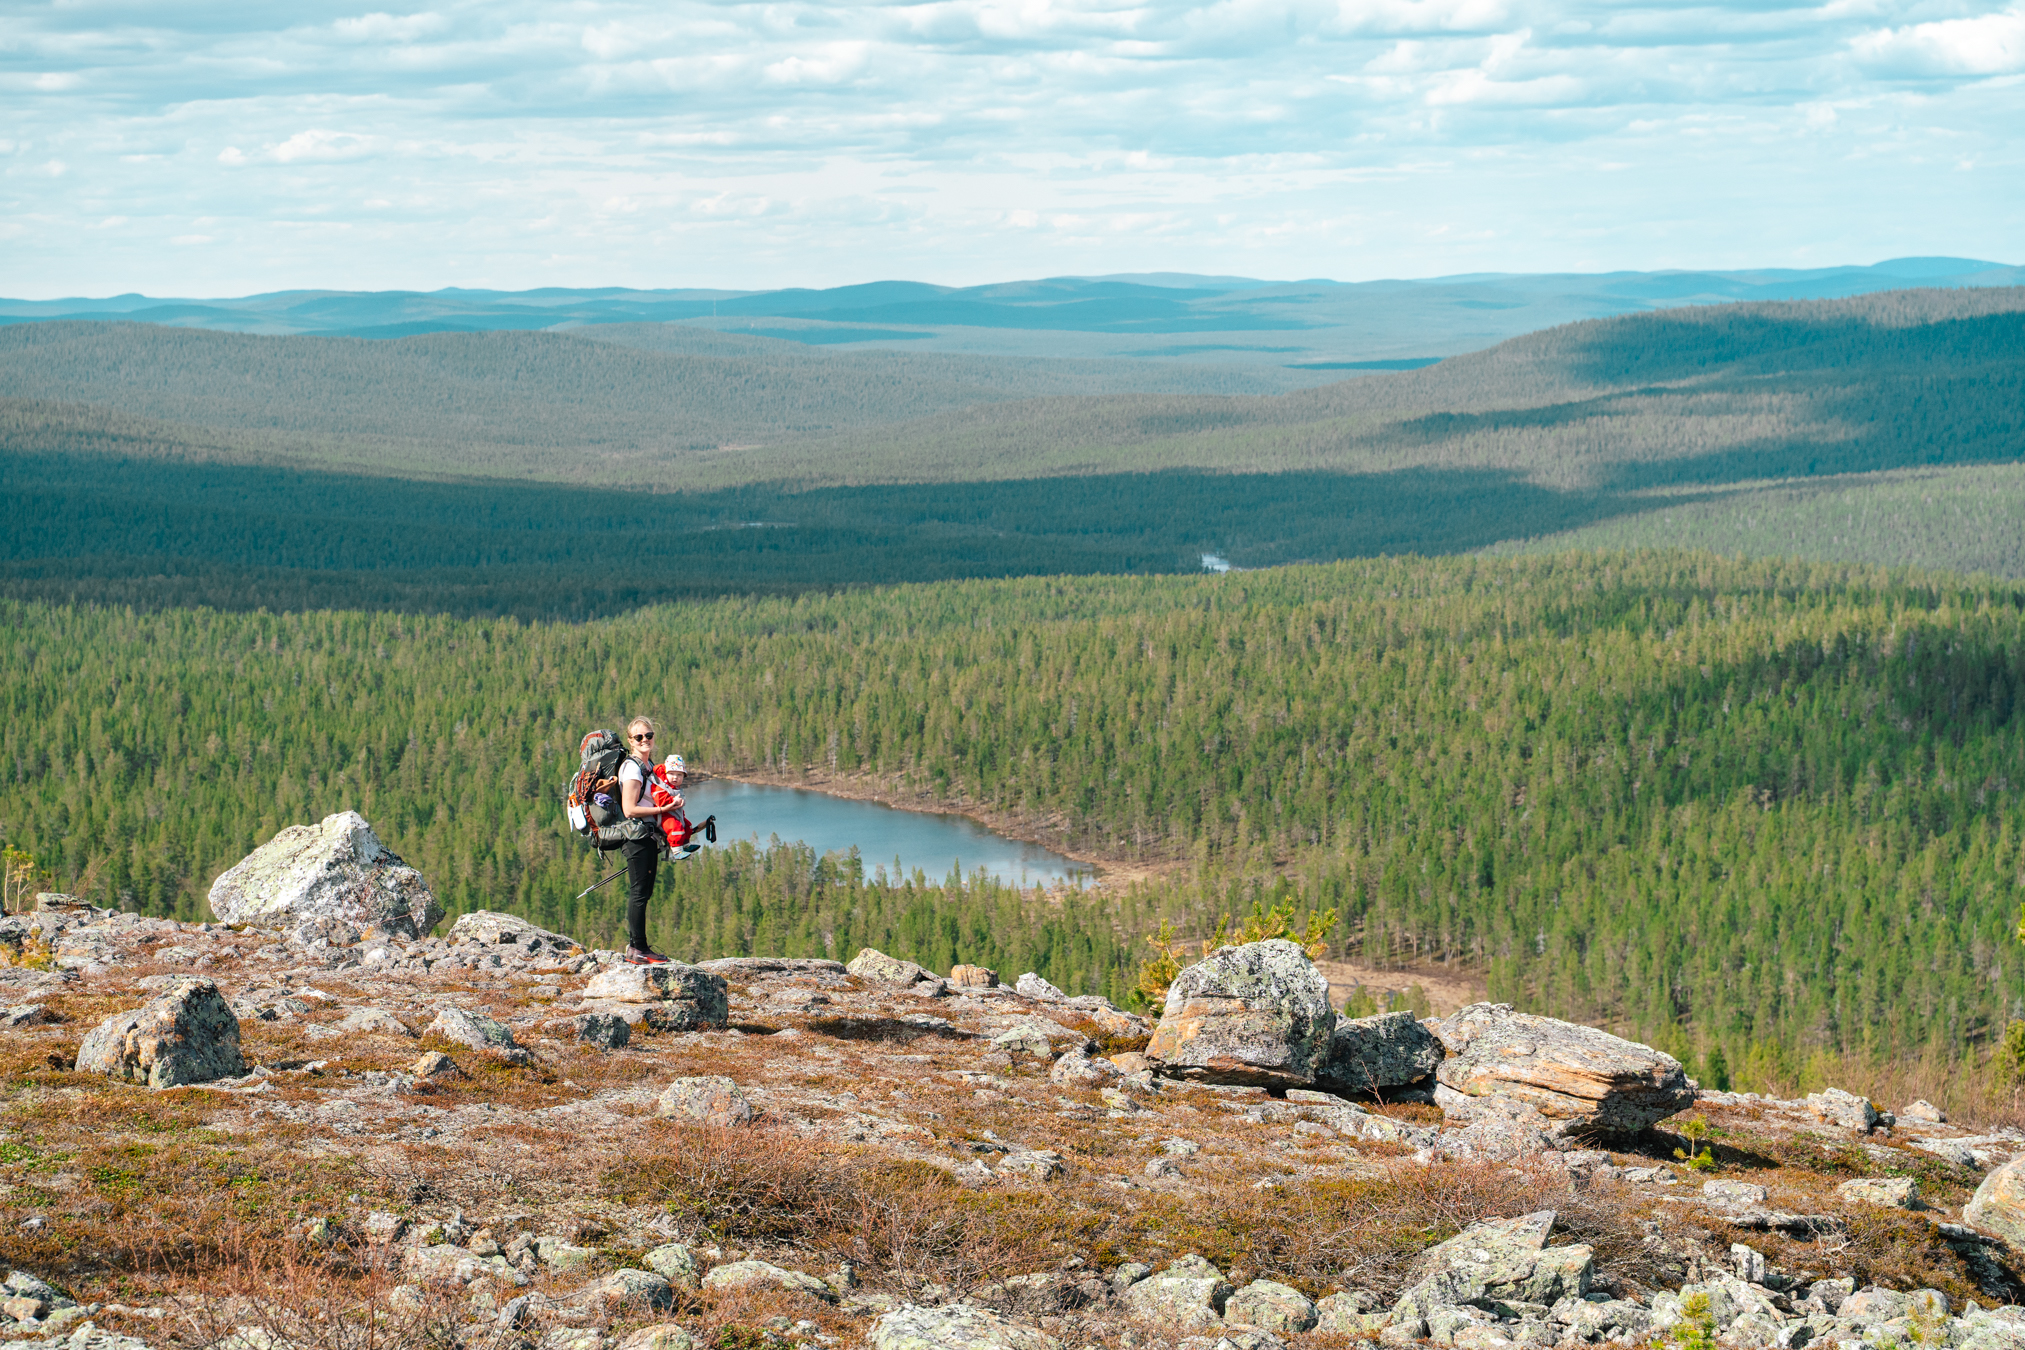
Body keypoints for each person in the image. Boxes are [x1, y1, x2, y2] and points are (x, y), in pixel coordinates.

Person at [616, 715, 680, 965]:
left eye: (649, 735)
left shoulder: (648, 766)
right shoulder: (632, 768)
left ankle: (638, 946)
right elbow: (629, 809)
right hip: (636, 837)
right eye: (639, 737)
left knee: (644, 892)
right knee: (639, 893)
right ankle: (638, 949)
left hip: (647, 836)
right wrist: (663, 810)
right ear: (631, 741)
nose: (645, 740)